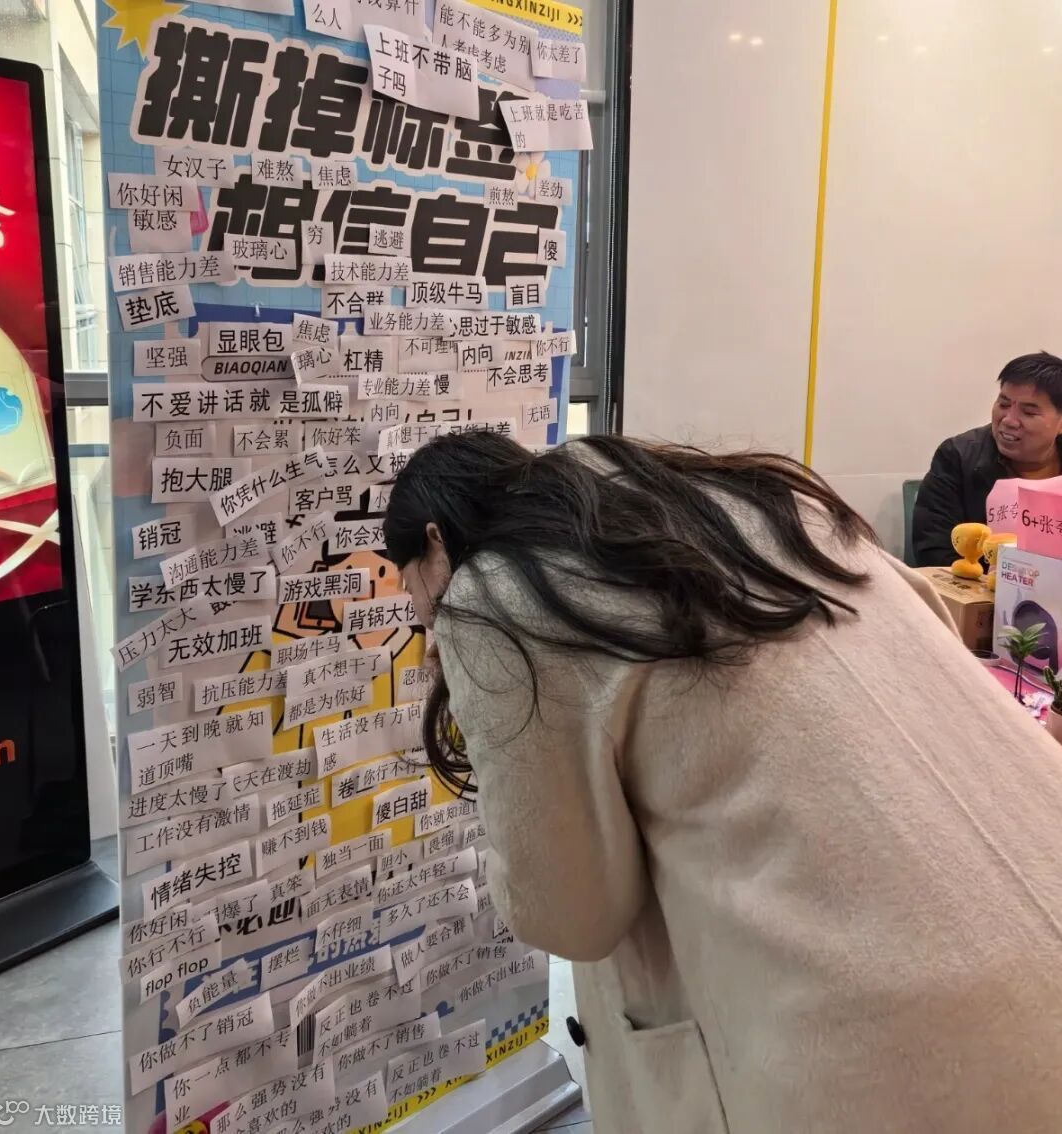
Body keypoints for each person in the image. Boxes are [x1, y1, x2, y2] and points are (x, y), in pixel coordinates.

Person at [385, 432, 1062, 1134]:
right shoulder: (757, 499)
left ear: (436, 544)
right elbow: (931, 624)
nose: (421, 617)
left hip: (905, 1047)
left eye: (410, 587)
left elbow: (570, 915)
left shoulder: (495, 597)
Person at [913, 351, 1062, 566]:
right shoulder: (957, 457)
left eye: (1029, 413)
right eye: (1003, 404)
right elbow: (935, 552)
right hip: (981, 584)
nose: (1009, 420)